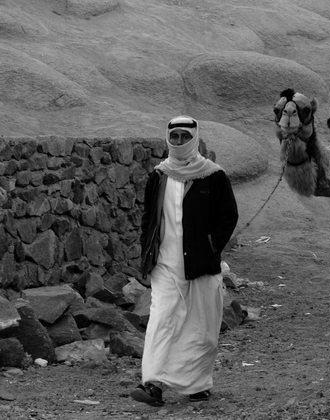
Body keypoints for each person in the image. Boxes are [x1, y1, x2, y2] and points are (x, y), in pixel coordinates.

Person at [130, 115, 239, 406]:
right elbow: (149, 218)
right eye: (174, 136)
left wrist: (211, 246)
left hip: (201, 263)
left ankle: (197, 384)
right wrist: (148, 251)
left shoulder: (213, 175)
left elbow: (228, 215)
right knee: (161, 319)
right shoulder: (159, 175)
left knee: (201, 325)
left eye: (184, 137)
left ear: (194, 138)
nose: (178, 142)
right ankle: (152, 384)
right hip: (165, 263)